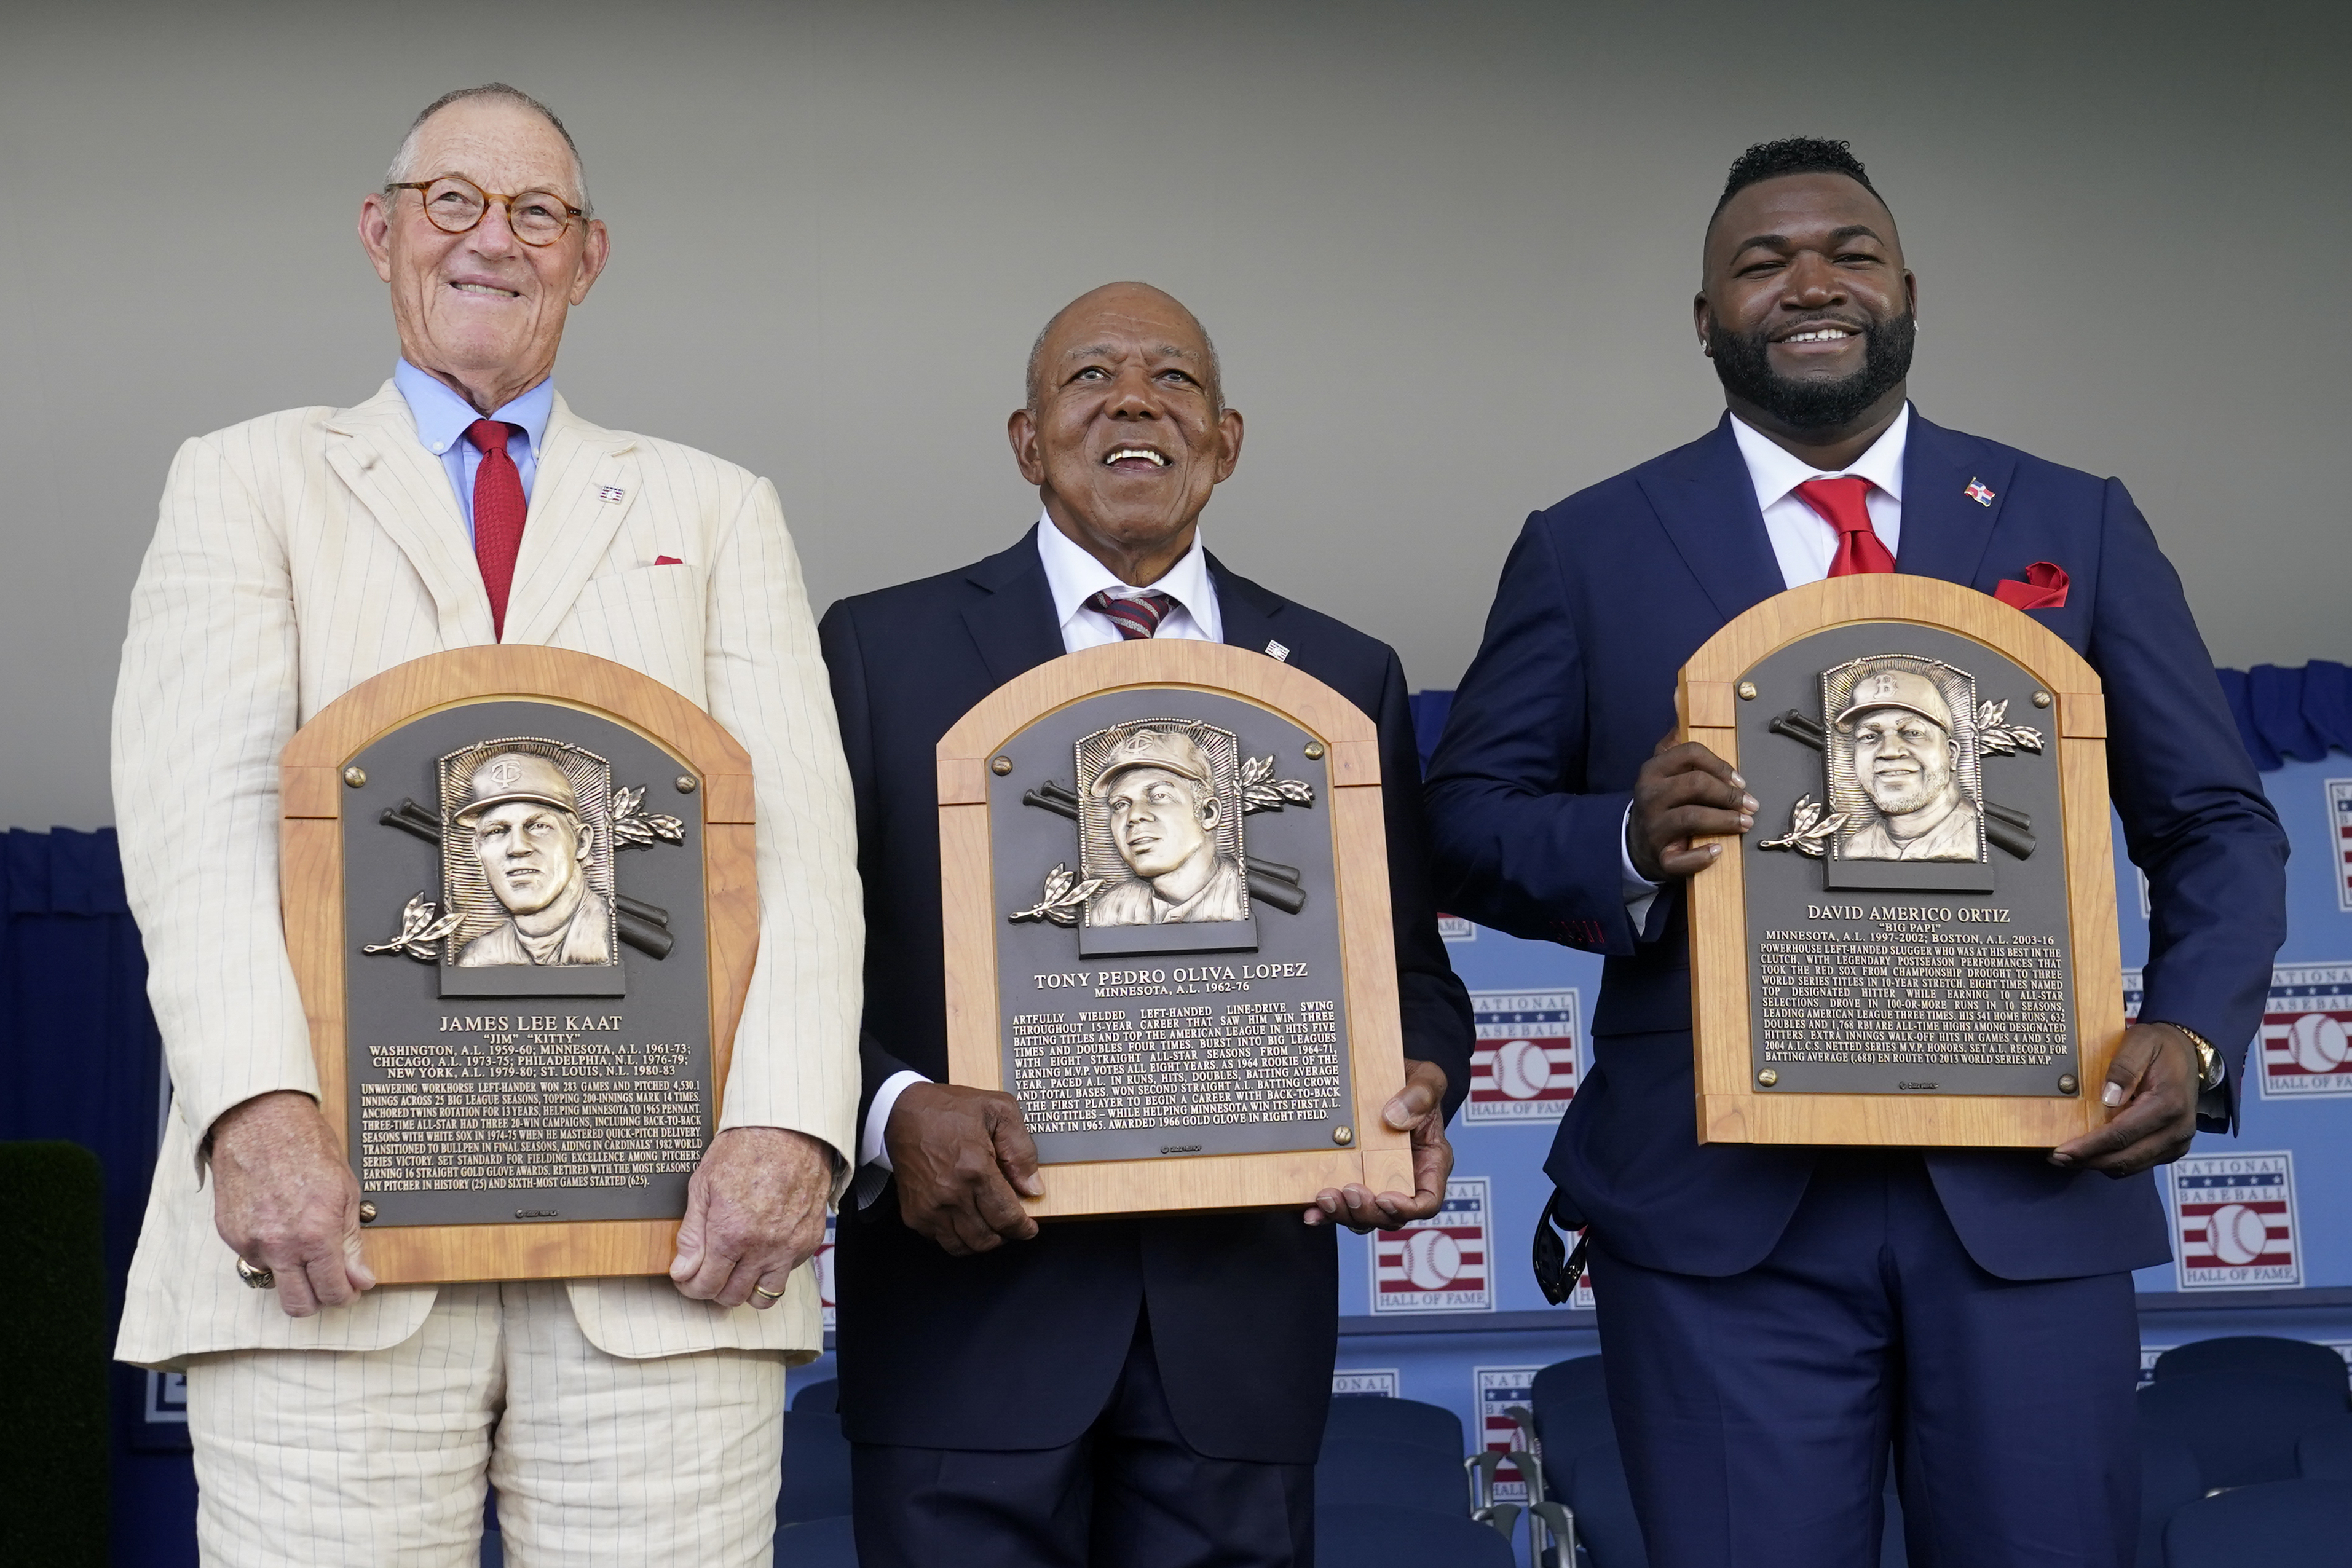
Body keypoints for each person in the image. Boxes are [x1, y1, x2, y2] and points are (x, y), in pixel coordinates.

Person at [1424, 138, 2287, 1567]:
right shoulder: (1585, 547)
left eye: (1847, 252)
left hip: (2026, 1191)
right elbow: (1461, 820)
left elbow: (2214, 822)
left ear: (1903, 292)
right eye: (1759, 263)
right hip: (1717, 1224)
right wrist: (1627, 839)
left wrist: (2192, 1031)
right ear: (1703, 316)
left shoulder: (2068, 519)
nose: (1808, 283)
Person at [111, 84, 862, 1566]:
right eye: (453, 201)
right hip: (333, 1247)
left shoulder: (715, 509)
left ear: (587, 258)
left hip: (666, 1258)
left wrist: (788, 1126)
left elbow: (797, 856)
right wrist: (255, 1116)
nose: (492, 241)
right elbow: (196, 829)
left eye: (536, 213)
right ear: (382, 233)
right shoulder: (244, 480)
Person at [818, 281, 1475, 1567]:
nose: (1132, 399)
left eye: (1171, 379)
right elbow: (786, 966)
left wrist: (1413, 1079)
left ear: (1223, 442)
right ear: (1025, 440)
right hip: (964, 1330)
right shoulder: (874, 653)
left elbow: (1412, 974)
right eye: (1090, 378)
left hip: (1232, 1347)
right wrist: (893, 1109)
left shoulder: (1342, 676)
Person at [452, 750, 617, 967]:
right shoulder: (477, 958)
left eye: (539, 826)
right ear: (477, 851)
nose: (518, 847)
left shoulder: (608, 938)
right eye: (497, 831)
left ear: (581, 842)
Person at [1087, 725, 1249, 925]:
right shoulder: (1109, 912)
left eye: (1159, 796)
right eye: (1120, 805)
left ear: (1209, 813)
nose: (1134, 816)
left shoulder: (1244, 899)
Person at [1834, 668, 1981, 861]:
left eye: (1912, 733)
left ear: (1951, 754)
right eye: (1869, 736)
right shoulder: (1852, 848)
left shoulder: (1976, 838)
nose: (1890, 751)